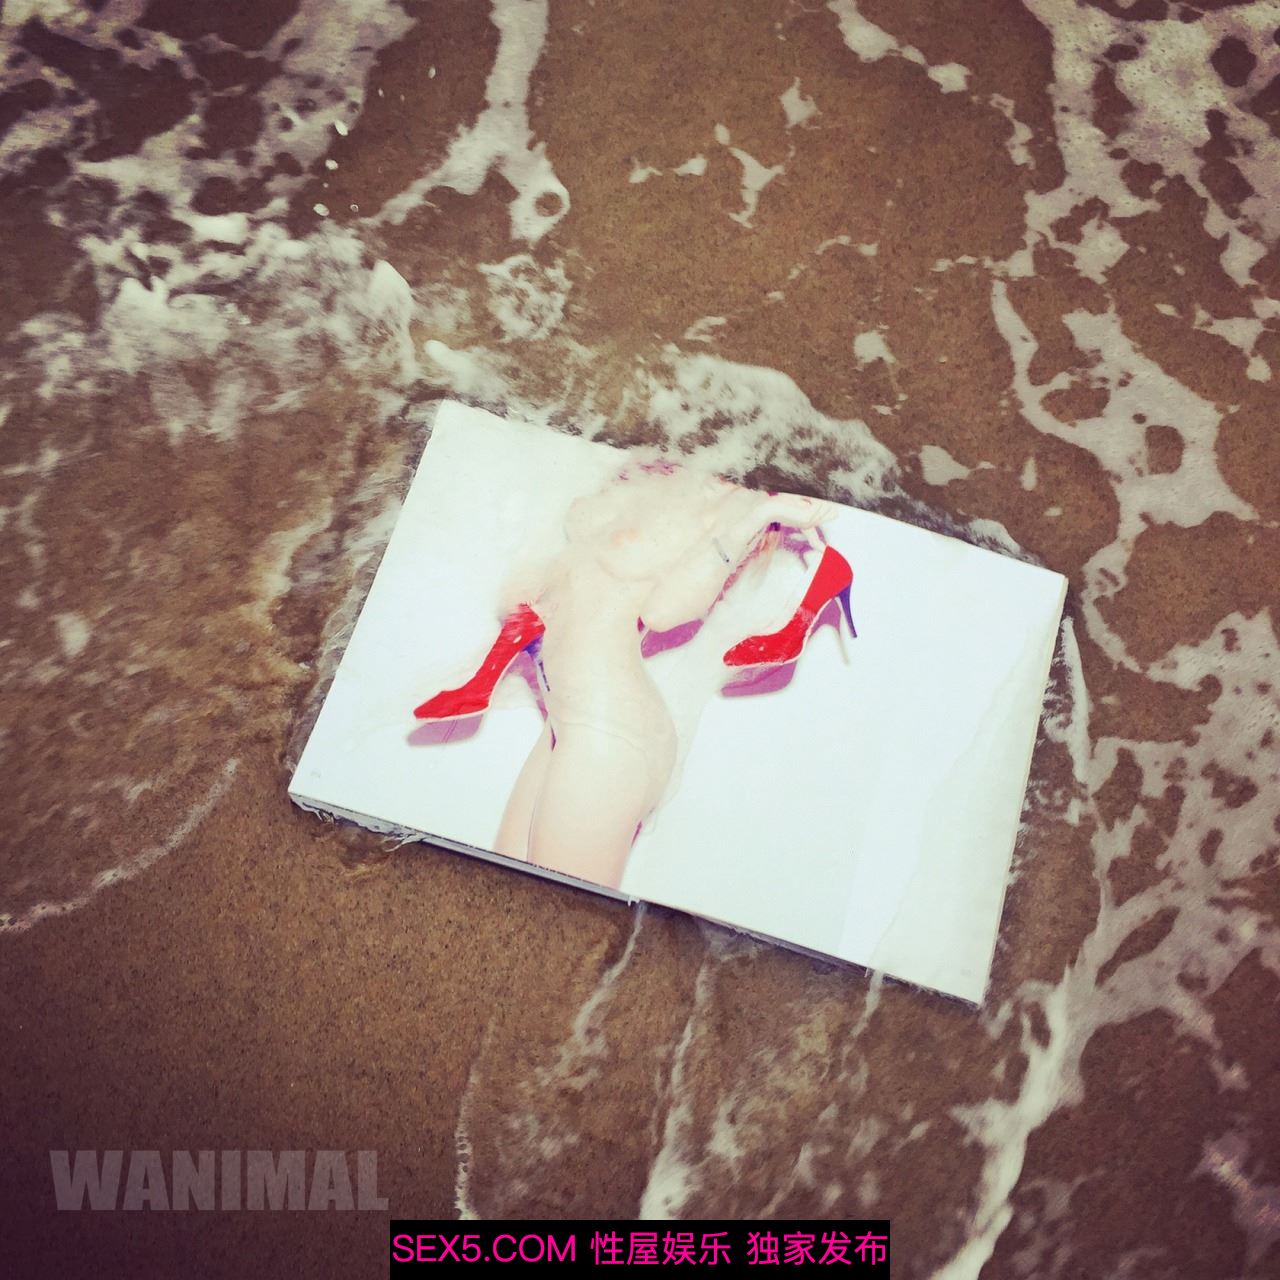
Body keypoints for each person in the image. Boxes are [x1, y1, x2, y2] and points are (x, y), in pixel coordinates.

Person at [413, 462, 854, 889]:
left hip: (611, 729)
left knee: (557, 916)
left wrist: (760, 513)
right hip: (565, 721)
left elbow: (664, 611)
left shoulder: (734, 505)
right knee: (509, 896)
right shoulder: (671, 469)